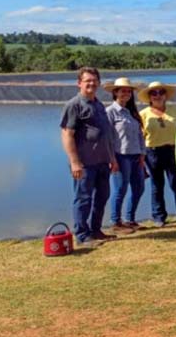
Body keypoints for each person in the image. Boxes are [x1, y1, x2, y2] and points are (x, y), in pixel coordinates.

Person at [60, 67, 118, 247]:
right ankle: (82, 235)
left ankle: (96, 230)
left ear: (99, 83)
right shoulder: (74, 105)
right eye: (87, 81)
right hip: (84, 164)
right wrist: (75, 162)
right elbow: (67, 134)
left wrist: (112, 159)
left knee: (102, 196)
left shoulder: (99, 105)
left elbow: (106, 134)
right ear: (79, 83)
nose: (91, 84)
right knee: (83, 198)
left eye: (94, 80)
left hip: (102, 162)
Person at [139, 81, 176, 227]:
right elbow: (140, 137)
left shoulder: (175, 110)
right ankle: (159, 216)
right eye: (154, 93)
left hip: (173, 151)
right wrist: (141, 157)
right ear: (149, 97)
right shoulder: (143, 114)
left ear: (165, 95)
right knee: (157, 185)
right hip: (152, 152)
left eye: (161, 92)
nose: (158, 96)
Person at [104, 77, 145, 234]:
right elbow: (107, 138)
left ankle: (130, 219)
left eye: (129, 91)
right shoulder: (110, 112)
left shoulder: (131, 112)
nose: (126, 93)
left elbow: (140, 135)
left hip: (135, 156)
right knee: (120, 188)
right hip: (120, 156)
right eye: (123, 90)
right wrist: (111, 159)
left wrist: (142, 153)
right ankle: (115, 221)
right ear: (115, 92)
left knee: (139, 188)